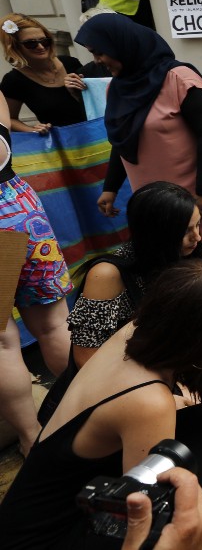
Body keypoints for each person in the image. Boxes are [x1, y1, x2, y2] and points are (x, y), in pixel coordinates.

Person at [0, 261, 202, 549]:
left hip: (58, 490)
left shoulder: (144, 330)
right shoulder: (148, 401)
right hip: (49, 534)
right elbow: (146, 514)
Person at [75, 14, 202, 240]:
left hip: (196, 195)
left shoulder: (180, 79)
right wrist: (110, 187)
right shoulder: (116, 89)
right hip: (154, 200)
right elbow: (122, 139)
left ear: (124, 45)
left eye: (100, 52)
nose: (96, 60)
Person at [0, 94, 71, 457]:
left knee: (2, 342)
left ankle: (31, 438)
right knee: (53, 324)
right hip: (15, 205)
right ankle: (87, 407)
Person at [67, 182, 202, 369]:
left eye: (198, 225)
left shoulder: (189, 254)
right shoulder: (108, 274)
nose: (197, 237)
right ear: (156, 232)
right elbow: (86, 358)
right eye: (186, 230)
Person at [0, 14, 87, 131]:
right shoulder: (14, 80)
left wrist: (77, 94)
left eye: (45, 41)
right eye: (31, 43)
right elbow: (8, 119)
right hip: (60, 143)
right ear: (15, 47)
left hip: (96, 134)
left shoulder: (71, 63)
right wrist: (32, 130)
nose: (40, 47)